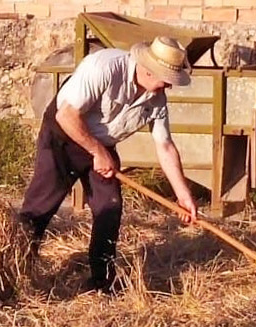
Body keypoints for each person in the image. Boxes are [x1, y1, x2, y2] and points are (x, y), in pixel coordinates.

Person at [18, 36, 200, 293]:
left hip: (101, 145)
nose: (168, 87)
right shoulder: (104, 67)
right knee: (40, 206)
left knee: (109, 208)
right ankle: (14, 269)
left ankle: (102, 282)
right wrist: (97, 152)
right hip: (63, 135)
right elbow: (66, 115)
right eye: (166, 79)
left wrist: (184, 196)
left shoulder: (156, 99)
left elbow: (165, 145)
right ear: (148, 70)